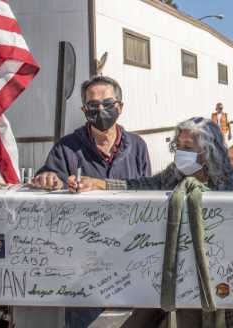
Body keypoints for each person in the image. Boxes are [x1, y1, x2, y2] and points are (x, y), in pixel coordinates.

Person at [71, 117, 233, 328]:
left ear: (208, 152)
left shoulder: (231, 192)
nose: (180, 152)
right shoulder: (175, 175)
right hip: (183, 284)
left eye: (187, 147)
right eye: (178, 146)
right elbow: (144, 185)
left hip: (226, 292)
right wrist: (100, 184)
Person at [29, 75, 151, 327]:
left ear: (120, 107)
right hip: (81, 265)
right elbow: (46, 177)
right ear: (84, 110)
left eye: (107, 103)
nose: (101, 110)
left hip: (131, 255)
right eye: (93, 105)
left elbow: (148, 194)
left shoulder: (138, 146)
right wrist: (47, 179)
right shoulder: (66, 147)